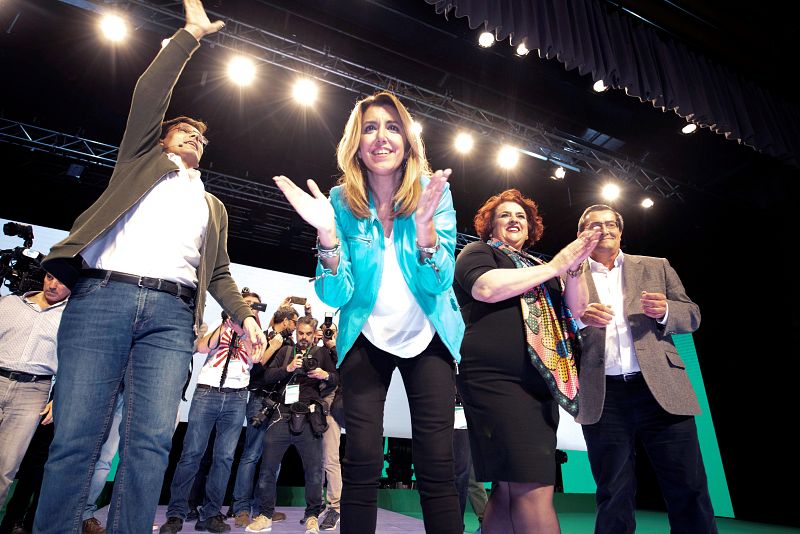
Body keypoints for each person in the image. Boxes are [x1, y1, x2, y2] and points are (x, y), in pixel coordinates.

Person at [34, 2, 266, 532]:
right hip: (102, 299)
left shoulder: (213, 206)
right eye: (184, 132)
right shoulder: (141, 162)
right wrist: (189, 36)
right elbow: (148, 96)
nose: (194, 139)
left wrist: (245, 316)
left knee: (151, 443)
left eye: (201, 137)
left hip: (171, 316)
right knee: (77, 438)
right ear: (160, 138)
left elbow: (220, 274)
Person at [274, 91, 465, 534]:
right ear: (356, 142)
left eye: (393, 127)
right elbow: (335, 295)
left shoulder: (436, 194)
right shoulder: (340, 201)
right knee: (359, 460)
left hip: (429, 336)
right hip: (365, 338)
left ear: (408, 141)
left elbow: (439, 282)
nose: (381, 137)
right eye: (371, 128)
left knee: (437, 463)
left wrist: (425, 233)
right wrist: (325, 235)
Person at [453, 189, 599, 533]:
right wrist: (556, 265)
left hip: (540, 385)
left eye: (520, 216)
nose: (513, 220)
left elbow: (578, 313)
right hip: (496, 381)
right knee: (533, 486)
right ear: (490, 225)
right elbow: (486, 289)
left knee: (508, 489)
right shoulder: (478, 252)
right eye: (504, 215)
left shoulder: (541, 268)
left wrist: (573, 270)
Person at [573, 204, 716, 533]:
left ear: (620, 231)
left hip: (662, 390)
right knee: (613, 491)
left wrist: (667, 311)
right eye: (596, 225)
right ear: (583, 234)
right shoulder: (569, 275)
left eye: (611, 224)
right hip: (604, 396)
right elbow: (557, 331)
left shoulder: (655, 266)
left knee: (688, 485)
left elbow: (692, 314)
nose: (605, 229)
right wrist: (579, 319)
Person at [160, 290, 280, 534]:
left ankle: (212, 513)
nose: (251, 309)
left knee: (224, 458)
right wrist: (226, 323)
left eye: (255, 306)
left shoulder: (257, 333)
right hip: (207, 392)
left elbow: (256, 357)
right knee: (191, 453)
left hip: (236, 397)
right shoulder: (220, 323)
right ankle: (176, 514)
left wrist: (244, 331)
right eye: (246, 304)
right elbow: (202, 347)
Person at [246, 316, 338, 534]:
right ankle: (265, 515)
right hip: (281, 414)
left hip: (309, 417)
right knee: (267, 467)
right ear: (296, 331)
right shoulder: (287, 351)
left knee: (314, 471)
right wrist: (287, 369)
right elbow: (266, 376)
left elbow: (337, 378)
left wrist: (324, 374)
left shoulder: (322, 354)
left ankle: (312, 516)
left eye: (307, 334)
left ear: (313, 334)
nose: (303, 338)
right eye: (300, 333)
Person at [0, 272, 70, 507]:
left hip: (34, 390)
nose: (53, 285)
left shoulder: (70, 317)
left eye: (61, 281)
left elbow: (71, 361)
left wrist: (58, 396)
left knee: (6, 468)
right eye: (50, 277)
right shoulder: (10, 303)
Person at [230, 305, 298, 527]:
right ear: (286, 321)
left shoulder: (290, 345)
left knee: (273, 460)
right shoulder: (265, 338)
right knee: (251, 455)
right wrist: (283, 368)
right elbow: (257, 372)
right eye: (294, 322)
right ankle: (241, 508)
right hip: (259, 399)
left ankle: (263, 509)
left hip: (279, 404)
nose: (296, 327)